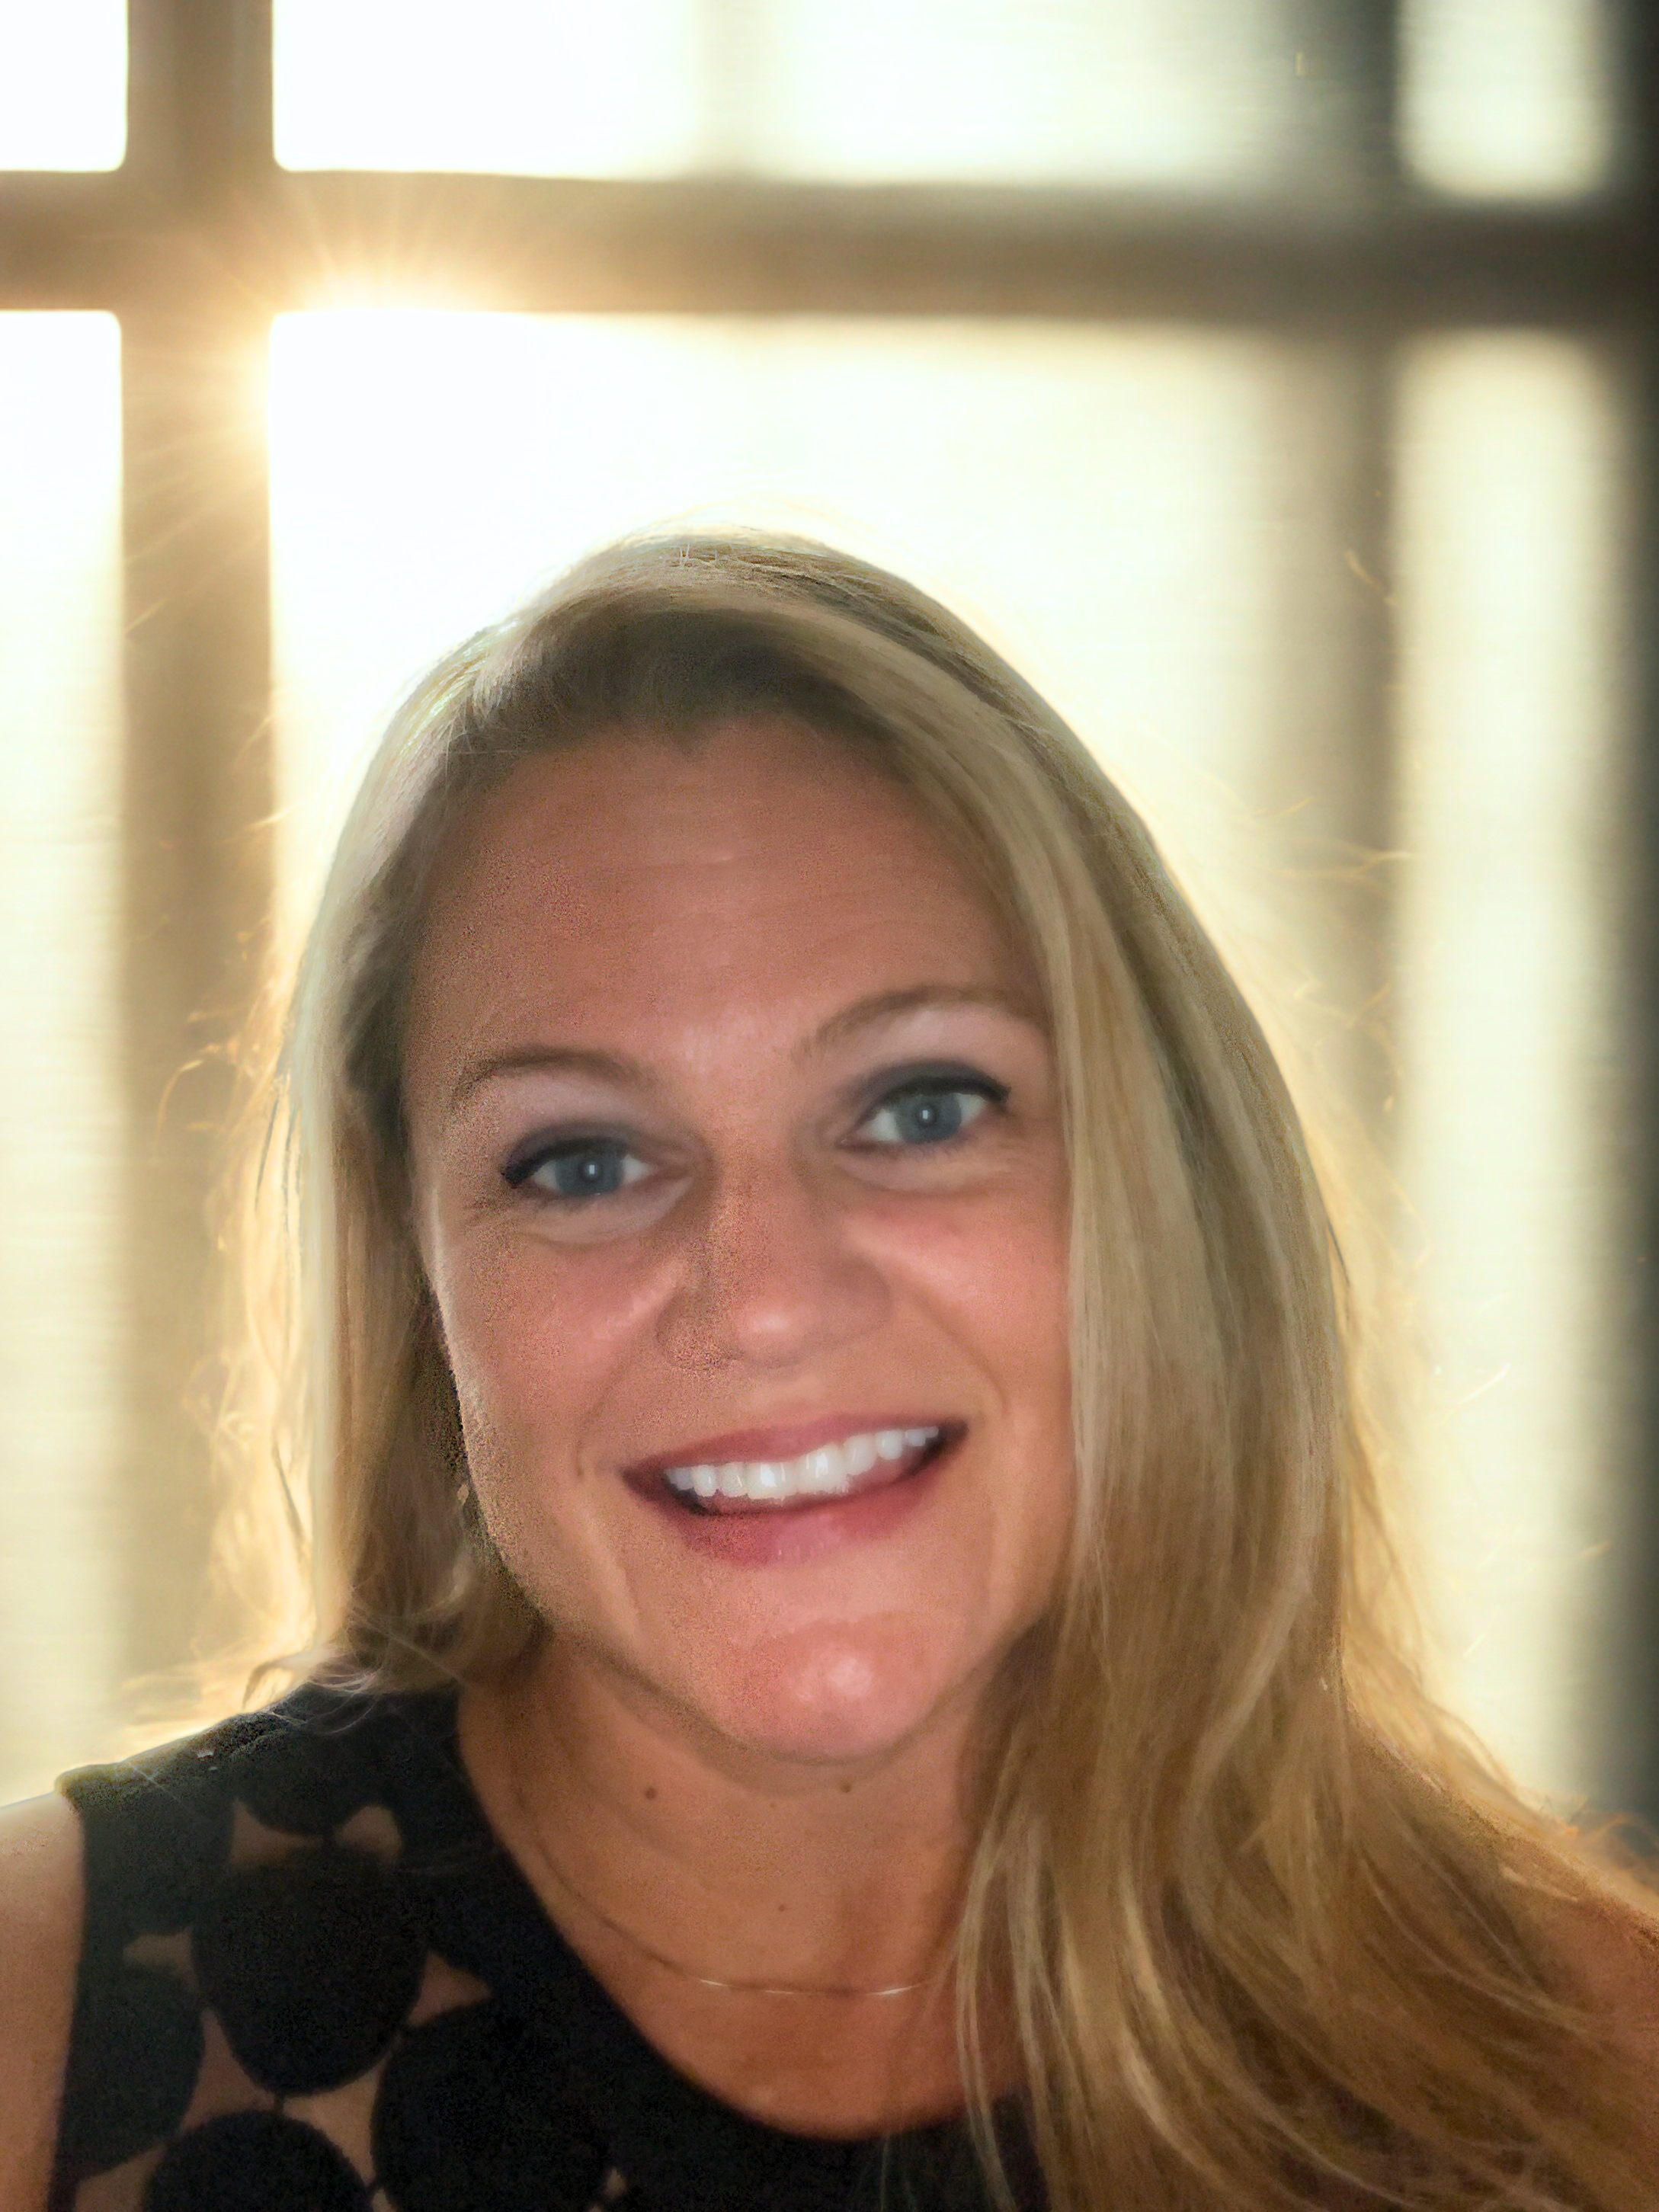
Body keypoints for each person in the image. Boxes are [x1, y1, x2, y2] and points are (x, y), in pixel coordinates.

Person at [2, 533, 1657, 2212]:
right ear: (414, 1269)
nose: (766, 1296)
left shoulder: (1586, 2064)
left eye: (919, 1107)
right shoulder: (37, 2017)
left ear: (1162, 1183)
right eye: (579, 1160)